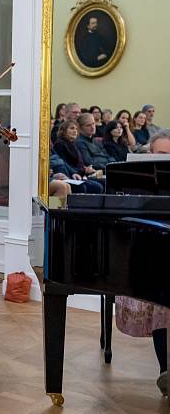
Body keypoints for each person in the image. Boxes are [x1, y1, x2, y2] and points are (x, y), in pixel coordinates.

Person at [115, 129, 170, 396]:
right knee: (161, 305)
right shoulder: (137, 181)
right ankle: (166, 371)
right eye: (161, 155)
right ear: (149, 155)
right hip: (149, 254)